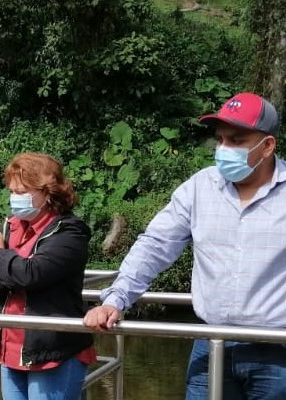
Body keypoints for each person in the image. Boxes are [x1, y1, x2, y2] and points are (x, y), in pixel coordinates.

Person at [83, 92, 286, 399]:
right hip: (210, 343)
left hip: (277, 352)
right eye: (220, 139)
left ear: (267, 146)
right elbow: (155, 246)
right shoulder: (200, 187)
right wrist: (115, 299)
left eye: (236, 140)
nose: (224, 149)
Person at [0, 152, 95, 400]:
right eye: (12, 191)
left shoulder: (69, 233)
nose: (14, 198)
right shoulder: (12, 225)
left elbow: (30, 275)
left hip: (52, 351)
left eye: (22, 192)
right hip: (10, 348)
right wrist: (11, 271)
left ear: (48, 192)